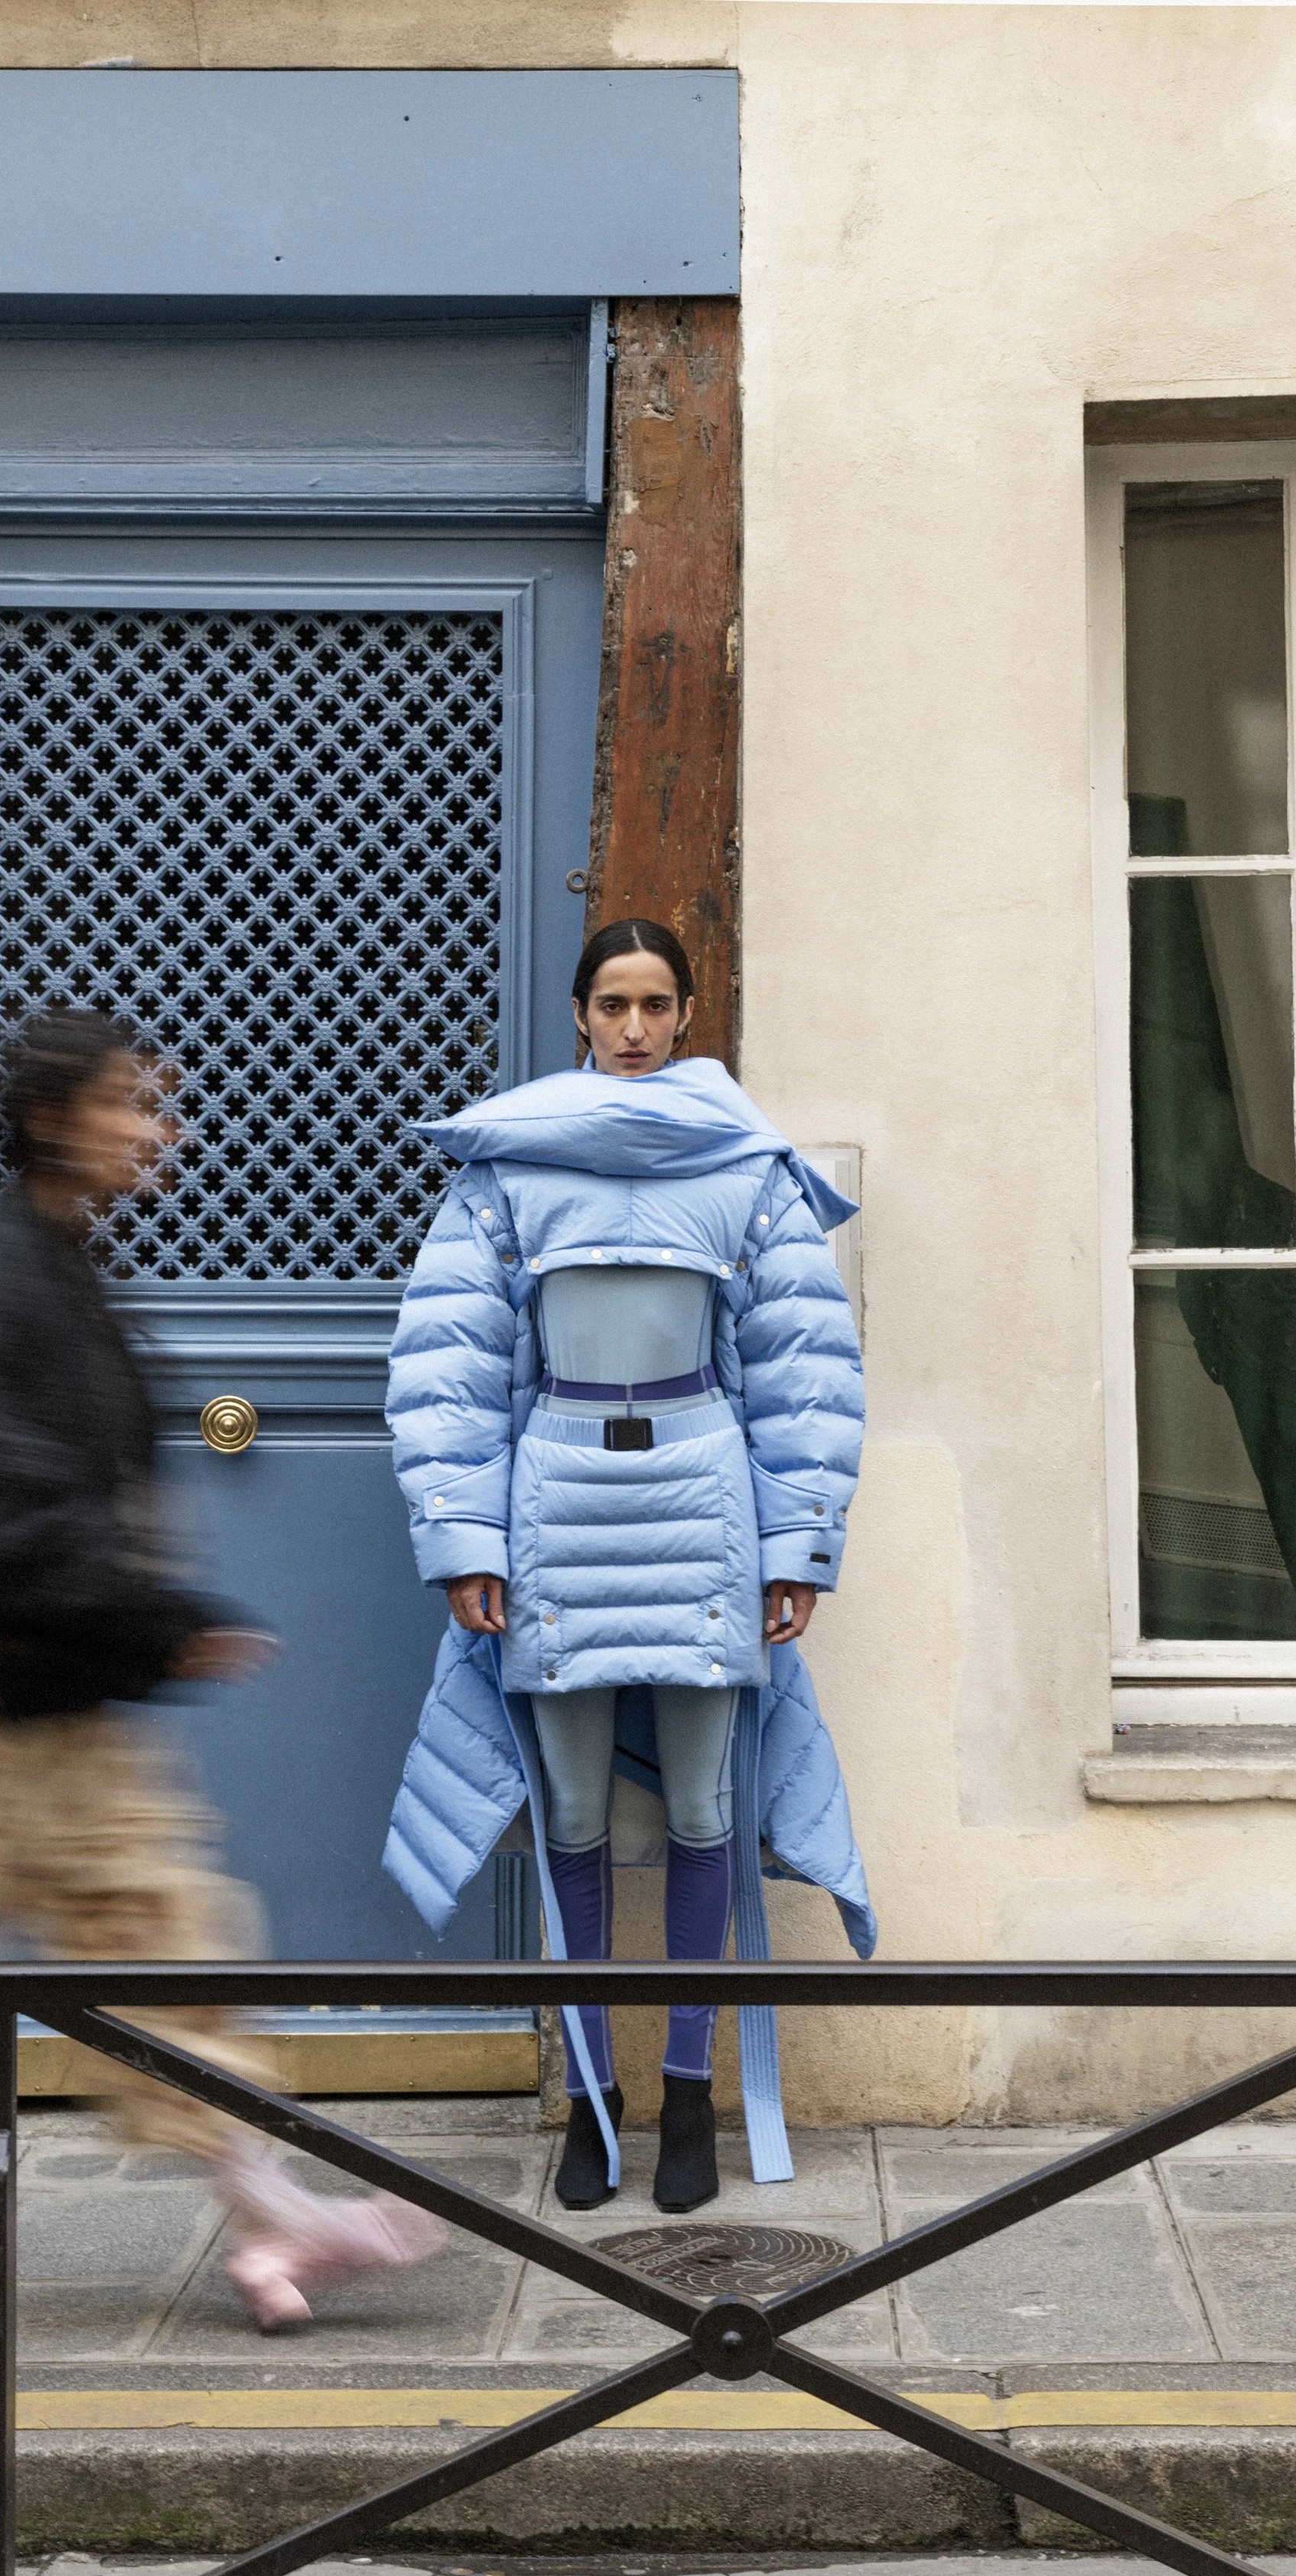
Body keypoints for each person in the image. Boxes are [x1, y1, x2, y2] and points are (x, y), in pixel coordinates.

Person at [0, 1008, 443, 2346]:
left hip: (59, 1706)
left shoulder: (56, 1264)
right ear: (55, 1116)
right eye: (130, 1104)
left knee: (166, 1945)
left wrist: (139, 1624)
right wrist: (148, 1615)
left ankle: (266, 2205)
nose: (154, 1132)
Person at [382, 920, 874, 2215]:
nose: (639, 1028)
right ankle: (596, 2104)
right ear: (580, 1014)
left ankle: (693, 2095)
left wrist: (801, 1542)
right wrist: (463, 1542)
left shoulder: (751, 1174)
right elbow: (448, 1372)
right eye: (615, 1003)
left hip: (706, 1498)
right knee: (578, 1820)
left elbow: (805, 1375)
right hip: (555, 1503)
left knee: (711, 1811)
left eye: (660, 1003)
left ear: (690, 1012)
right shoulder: (506, 1173)